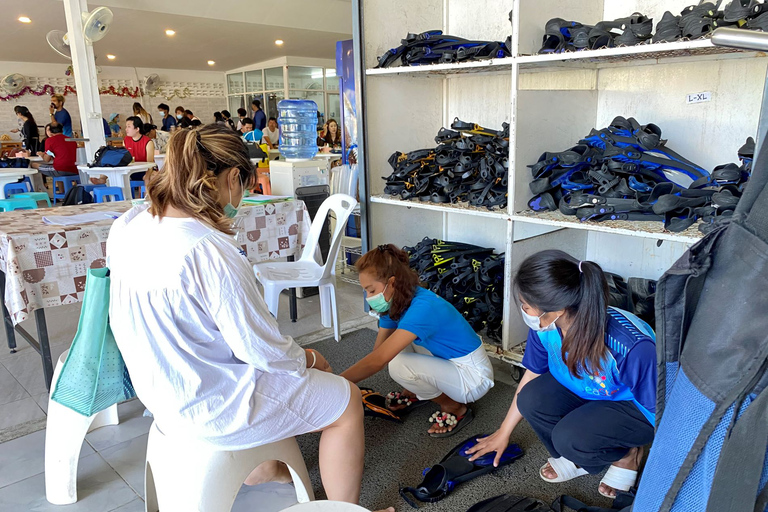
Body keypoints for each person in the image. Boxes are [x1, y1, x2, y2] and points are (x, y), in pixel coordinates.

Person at [105, 124, 371, 508]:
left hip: (159, 390)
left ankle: (268, 466)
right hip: (208, 403)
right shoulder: (208, 249)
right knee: (346, 401)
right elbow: (260, 349)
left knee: (285, 377)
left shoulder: (130, 226)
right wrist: (310, 358)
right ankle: (342, 509)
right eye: (244, 186)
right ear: (232, 178)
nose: (241, 198)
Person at [466, 250, 656, 499]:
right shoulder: (546, 326)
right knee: (530, 399)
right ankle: (581, 453)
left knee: (569, 438)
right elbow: (532, 375)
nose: (524, 312)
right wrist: (503, 431)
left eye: (526, 306)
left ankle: (627, 455)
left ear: (557, 309)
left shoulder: (631, 346)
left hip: (634, 406)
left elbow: (662, 413)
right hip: (592, 388)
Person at [340, 245, 495, 437]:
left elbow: (377, 361)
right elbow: (379, 351)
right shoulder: (396, 302)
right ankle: (418, 390)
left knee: (398, 365)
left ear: (392, 283)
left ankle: (453, 405)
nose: (369, 297)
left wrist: (335, 382)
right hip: (448, 361)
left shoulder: (423, 307)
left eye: (371, 290)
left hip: (472, 377)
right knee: (396, 347)